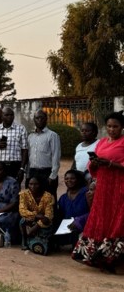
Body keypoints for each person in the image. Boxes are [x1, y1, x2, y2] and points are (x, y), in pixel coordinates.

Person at [72, 112, 124, 272]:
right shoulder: (101, 142)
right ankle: (98, 257)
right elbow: (91, 166)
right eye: (109, 126)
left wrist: (110, 164)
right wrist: (95, 163)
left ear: (122, 127)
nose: (112, 129)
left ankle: (115, 259)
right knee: (102, 217)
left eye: (115, 126)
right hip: (103, 187)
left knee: (119, 219)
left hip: (120, 186)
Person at [0, 107, 28, 183]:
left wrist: (22, 168)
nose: (9, 117)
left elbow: (24, 150)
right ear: (2, 116)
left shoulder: (21, 128)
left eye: (11, 115)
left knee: (14, 190)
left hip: (14, 165)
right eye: (7, 115)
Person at [26, 110, 61, 198]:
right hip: (33, 172)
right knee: (34, 200)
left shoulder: (52, 135)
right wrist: (28, 175)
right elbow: (28, 156)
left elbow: (56, 156)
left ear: (46, 119)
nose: (39, 120)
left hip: (47, 173)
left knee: (49, 200)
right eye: (37, 118)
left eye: (42, 118)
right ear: (34, 120)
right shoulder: (30, 136)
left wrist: (53, 176)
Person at [55, 170, 90, 248]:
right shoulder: (63, 198)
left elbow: (93, 212)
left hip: (84, 225)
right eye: (66, 179)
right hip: (67, 227)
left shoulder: (86, 193)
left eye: (72, 178)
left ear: (78, 180)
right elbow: (60, 214)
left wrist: (79, 221)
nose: (69, 181)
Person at [19, 177, 54, 255]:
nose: (33, 186)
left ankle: (32, 241)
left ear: (41, 185)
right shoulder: (24, 194)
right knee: (23, 220)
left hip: (43, 225)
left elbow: (48, 217)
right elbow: (22, 211)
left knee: (42, 250)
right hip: (30, 221)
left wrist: (35, 227)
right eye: (30, 184)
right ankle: (25, 241)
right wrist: (37, 216)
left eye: (36, 184)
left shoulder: (48, 196)